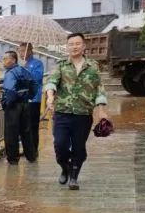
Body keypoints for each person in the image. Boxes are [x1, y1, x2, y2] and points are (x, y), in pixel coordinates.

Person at [44, 32, 108, 191]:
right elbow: (51, 82)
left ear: (84, 46)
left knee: (79, 147)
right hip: (62, 113)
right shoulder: (61, 65)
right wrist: (50, 96)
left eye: (77, 44)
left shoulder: (93, 67)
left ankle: (73, 177)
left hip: (83, 114)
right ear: (67, 47)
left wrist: (101, 110)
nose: (74, 47)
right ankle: (65, 167)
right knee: (60, 145)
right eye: (71, 44)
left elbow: (99, 89)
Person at [0, 50, 38, 164]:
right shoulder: (24, 70)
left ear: (12, 60)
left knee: (11, 133)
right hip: (25, 104)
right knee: (26, 131)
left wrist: (6, 103)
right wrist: (29, 96)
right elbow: (34, 84)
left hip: (13, 106)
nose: (3, 62)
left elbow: (10, 90)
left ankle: (13, 159)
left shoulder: (10, 73)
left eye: (5, 59)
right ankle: (31, 156)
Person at [20, 42, 45, 146]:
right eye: (19, 51)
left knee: (33, 126)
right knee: (24, 126)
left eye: (22, 50)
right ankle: (27, 150)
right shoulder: (23, 64)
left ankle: (34, 150)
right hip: (23, 100)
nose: (21, 53)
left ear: (30, 51)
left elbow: (37, 78)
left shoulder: (37, 63)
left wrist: (25, 71)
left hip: (33, 100)